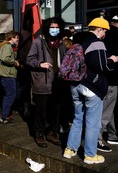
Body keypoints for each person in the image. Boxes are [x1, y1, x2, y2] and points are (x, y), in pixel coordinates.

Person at [63, 17, 118, 164]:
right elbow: (102, 67)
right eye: (105, 30)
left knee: (77, 118)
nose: (105, 33)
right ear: (99, 29)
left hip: (75, 85)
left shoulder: (78, 40)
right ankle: (90, 155)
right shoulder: (97, 43)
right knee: (93, 123)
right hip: (91, 87)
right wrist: (112, 60)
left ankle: (70, 149)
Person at [26, 17, 67, 148]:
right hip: (42, 82)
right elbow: (29, 59)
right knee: (40, 110)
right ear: (47, 28)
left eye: (56, 27)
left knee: (55, 110)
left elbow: (65, 59)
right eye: (52, 27)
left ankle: (53, 133)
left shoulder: (60, 43)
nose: (54, 30)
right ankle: (39, 133)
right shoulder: (39, 42)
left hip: (57, 82)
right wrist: (40, 64)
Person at [97, 15, 118, 152]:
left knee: (108, 109)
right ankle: (97, 138)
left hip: (106, 78)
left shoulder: (104, 38)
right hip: (112, 79)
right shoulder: (112, 37)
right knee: (106, 111)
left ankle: (112, 134)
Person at [0, 30, 20, 124]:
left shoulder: (7, 46)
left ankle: (6, 115)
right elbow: (5, 58)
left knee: (8, 95)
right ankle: (4, 116)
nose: (17, 40)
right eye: (16, 38)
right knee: (10, 95)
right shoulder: (7, 46)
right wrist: (15, 62)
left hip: (7, 74)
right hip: (7, 74)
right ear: (11, 38)